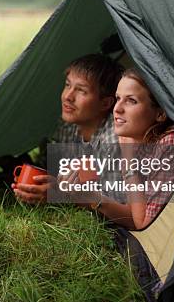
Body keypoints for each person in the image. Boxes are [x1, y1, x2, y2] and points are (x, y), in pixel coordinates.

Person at [82, 68, 174, 230]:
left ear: (161, 113)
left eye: (131, 101)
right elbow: (135, 213)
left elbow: (141, 222)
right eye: (118, 98)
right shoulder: (141, 141)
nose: (117, 109)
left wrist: (128, 163)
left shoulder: (171, 143)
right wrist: (84, 197)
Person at [12, 53, 123, 204]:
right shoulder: (68, 126)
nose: (68, 96)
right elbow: (55, 170)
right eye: (67, 85)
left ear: (105, 103)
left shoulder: (114, 138)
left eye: (81, 91)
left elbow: (115, 200)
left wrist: (59, 196)